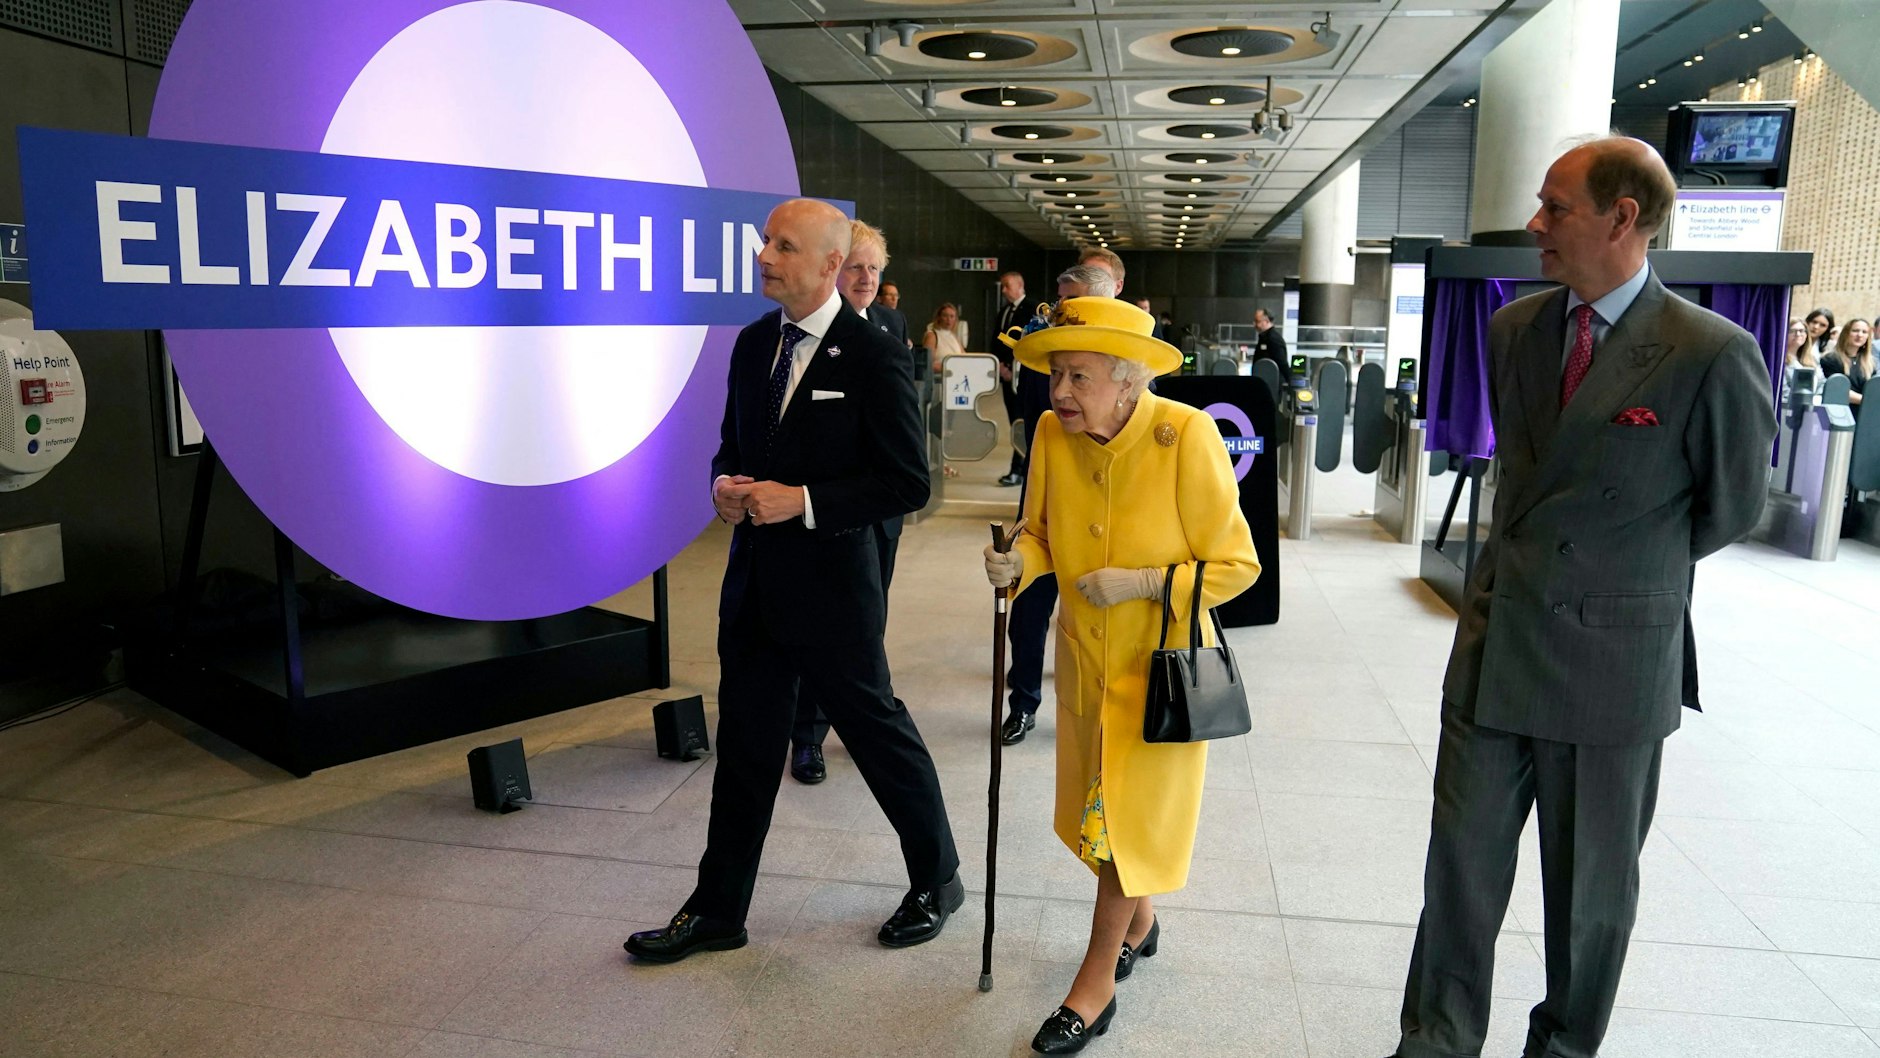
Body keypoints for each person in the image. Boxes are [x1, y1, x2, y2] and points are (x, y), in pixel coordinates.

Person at [1388, 138, 1775, 1058]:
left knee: (1590, 897)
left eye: (1556, 208)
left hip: (1612, 664)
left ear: (1622, 218)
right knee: (1460, 876)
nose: (1535, 225)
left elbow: (1728, 510)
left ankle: (1562, 1047)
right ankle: (1434, 1043)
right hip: (1496, 644)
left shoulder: (1711, 352)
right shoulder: (1515, 328)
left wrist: (1612, 577)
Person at [624, 199, 962, 964]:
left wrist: (804, 502)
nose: (764, 255)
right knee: (744, 747)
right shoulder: (750, 346)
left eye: (784, 245)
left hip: (837, 593)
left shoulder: (873, 355)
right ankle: (717, 910)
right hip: (753, 586)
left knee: (876, 736)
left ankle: (937, 880)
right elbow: (728, 447)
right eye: (765, 242)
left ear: (829, 266)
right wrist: (722, 487)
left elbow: (908, 482)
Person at [983, 297, 1261, 1054]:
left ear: (1128, 383)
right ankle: (1143, 923)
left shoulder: (1185, 436)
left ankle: (1094, 981)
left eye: (1077, 376)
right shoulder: (1048, 433)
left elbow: (1238, 567)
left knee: (1123, 829)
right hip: (1084, 663)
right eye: (1054, 375)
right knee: (1098, 825)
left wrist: (1144, 583)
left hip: (1160, 677)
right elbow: (1039, 532)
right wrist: (1018, 563)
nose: (1059, 392)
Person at [789, 219, 918, 785]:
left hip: (880, 515)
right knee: (815, 630)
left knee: (867, 628)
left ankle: (862, 722)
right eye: (855, 268)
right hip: (822, 518)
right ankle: (808, 735)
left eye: (874, 270)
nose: (866, 278)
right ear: (831, 270)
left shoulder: (890, 326)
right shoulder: (806, 337)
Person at [1001, 263, 1114, 747]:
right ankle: (1023, 703)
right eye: (1059, 304)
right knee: (1028, 606)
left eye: (1073, 307)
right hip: (1050, 491)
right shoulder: (1042, 348)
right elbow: (1033, 413)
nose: (1058, 316)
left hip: (1112, 511)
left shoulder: (1127, 364)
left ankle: (1108, 711)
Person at [995, 270, 1043, 486]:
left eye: (1007, 285)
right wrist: (1000, 366)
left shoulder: (1033, 308)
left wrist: (1012, 366)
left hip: (1022, 375)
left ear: (1020, 285)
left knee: (1022, 421)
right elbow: (996, 341)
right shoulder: (1004, 311)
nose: (1004, 290)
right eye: (1003, 286)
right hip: (1006, 376)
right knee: (1014, 421)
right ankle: (1019, 468)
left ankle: (1020, 469)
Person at [1821, 317, 1873, 414]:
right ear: (1846, 333)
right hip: (1838, 413)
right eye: (1855, 330)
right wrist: (1869, 401)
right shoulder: (1830, 359)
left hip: (1863, 415)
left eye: (1864, 332)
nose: (1859, 335)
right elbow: (1838, 390)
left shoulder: (1871, 363)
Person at [923, 302, 966, 373]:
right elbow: (927, 363)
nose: (948, 319)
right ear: (939, 317)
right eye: (945, 316)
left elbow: (965, 357)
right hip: (940, 377)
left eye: (952, 316)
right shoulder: (932, 335)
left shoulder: (954, 337)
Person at [1251, 308, 1288, 374]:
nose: (1254, 324)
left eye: (1257, 321)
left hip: (1271, 380)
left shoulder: (1273, 339)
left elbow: (1282, 364)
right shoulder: (1266, 338)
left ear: (1267, 321)